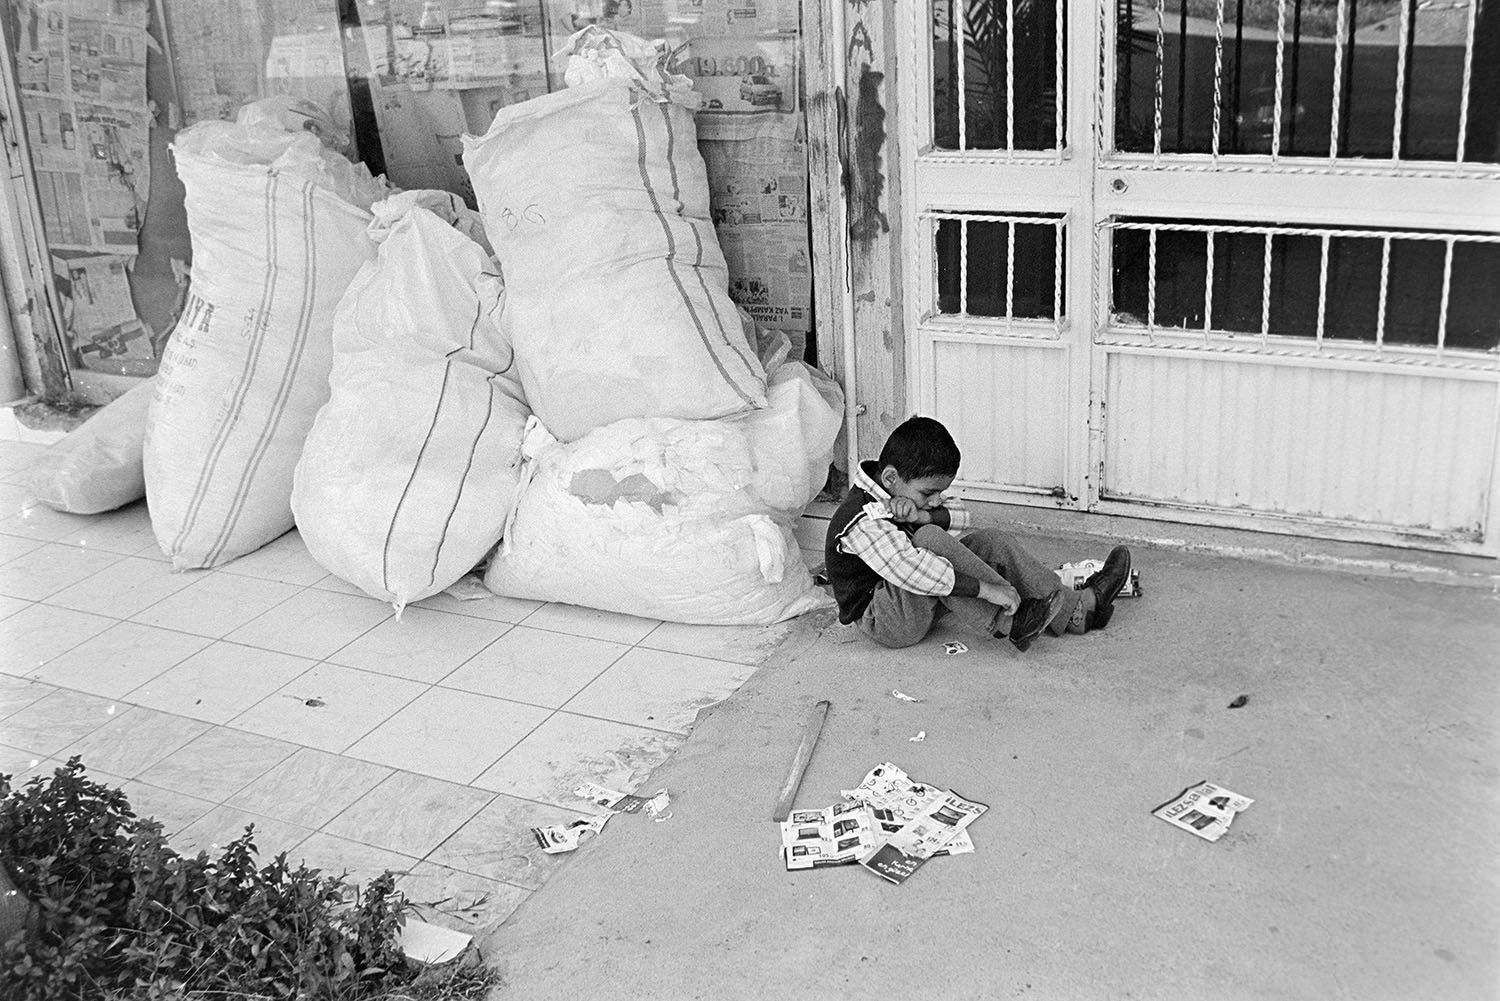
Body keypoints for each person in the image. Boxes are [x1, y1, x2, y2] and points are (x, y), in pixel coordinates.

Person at [824, 416, 1133, 652]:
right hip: (886, 620)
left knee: (990, 541)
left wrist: (922, 514)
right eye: (929, 493)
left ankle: (1078, 610)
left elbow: (961, 517)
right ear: (890, 477)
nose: (936, 500)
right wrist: (986, 589)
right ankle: (1012, 621)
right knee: (929, 541)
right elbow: (913, 573)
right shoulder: (861, 518)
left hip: (914, 602)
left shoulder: (902, 491)